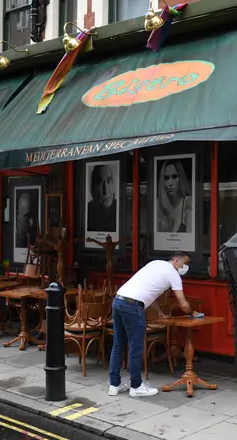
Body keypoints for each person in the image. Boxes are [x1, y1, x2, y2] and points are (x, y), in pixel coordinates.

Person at [108, 251, 198, 397]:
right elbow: (183, 303)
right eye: (185, 263)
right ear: (176, 261)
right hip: (133, 307)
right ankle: (136, 386)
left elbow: (151, 294)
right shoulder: (173, 274)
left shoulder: (155, 264)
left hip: (119, 300)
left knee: (118, 345)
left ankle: (114, 385)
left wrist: (160, 313)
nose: (185, 267)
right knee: (136, 347)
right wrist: (192, 312)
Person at [156, 159, 192, 233]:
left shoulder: (187, 204)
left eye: (174, 177)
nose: (170, 183)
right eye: (166, 178)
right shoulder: (158, 205)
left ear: (181, 178)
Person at [87, 164, 117, 232]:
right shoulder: (88, 210)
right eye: (100, 183)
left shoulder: (120, 208)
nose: (106, 191)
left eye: (109, 181)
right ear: (93, 188)